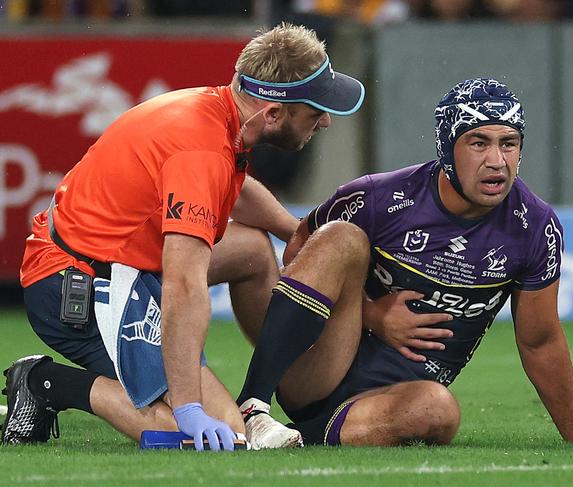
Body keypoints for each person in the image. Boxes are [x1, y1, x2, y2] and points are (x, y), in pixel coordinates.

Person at [1, 22, 365, 452]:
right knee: (212, 435)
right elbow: (184, 284)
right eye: (315, 109)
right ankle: (46, 383)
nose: (324, 121)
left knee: (252, 250)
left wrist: (292, 230)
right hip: (79, 283)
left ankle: (257, 399)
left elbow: (235, 185)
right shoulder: (201, 151)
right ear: (272, 113)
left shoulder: (222, 112)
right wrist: (189, 405)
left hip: (115, 258)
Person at [235, 78, 573, 447]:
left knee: (440, 410)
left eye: (509, 143)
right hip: (315, 367)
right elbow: (299, 251)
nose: (497, 161)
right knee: (341, 236)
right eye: (479, 143)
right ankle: (252, 410)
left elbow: (539, 341)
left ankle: (299, 438)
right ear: (448, 148)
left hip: (390, 401)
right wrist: (368, 313)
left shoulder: (534, 228)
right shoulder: (378, 197)